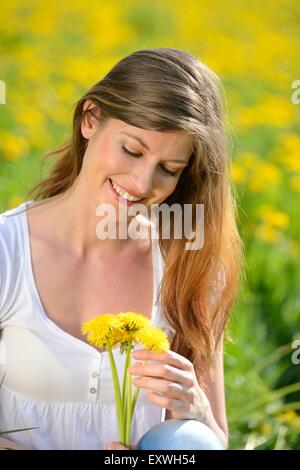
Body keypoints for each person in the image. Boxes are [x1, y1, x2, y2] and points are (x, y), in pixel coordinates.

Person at [0, 47, 244, 450]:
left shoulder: (189, 263)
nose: (142, 183)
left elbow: (212, 441)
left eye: (169, 170)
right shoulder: (9, 249)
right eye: (132, 150)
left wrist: (196, 411)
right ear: (90, 119)